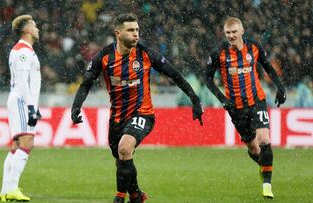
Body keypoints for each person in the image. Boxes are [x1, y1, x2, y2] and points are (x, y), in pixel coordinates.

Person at [71, 13, 204, 203]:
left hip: (143, 113)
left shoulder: (145, 54)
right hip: (117, 117)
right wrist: (76, 108)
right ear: (118, 33)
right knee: (121, 160)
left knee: (125, 149)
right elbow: (86, 84)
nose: (136, 34)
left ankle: (119, 198)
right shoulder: (104, 56)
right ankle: (136, 195)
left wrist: (195, 100)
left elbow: (175, 75)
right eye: (131, 30)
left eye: (137, 30)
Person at [205, 17, 286, 199]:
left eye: (234, 32)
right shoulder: (218, 53)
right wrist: (222, 99)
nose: (231, 36)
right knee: (254, 149)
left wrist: (280, 87)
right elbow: (207, 79)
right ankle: (264, 166)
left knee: (264, 139)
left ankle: (267, 185)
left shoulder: (254, 48)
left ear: (242, 31)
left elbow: (268, 67)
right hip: (236, 108)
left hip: (257, 100)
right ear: (224, 34)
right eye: (228, 33)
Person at [0, 14, 41, 202]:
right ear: (27, 30)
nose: (37, 29)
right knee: (26, 143)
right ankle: (12, 188)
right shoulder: (23, 51)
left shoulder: (21, 50)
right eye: (34, 26)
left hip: (18, 100)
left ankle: (5, 191)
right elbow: (23, 82)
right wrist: (32, 107)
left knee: (17, 145)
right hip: (22, 101)